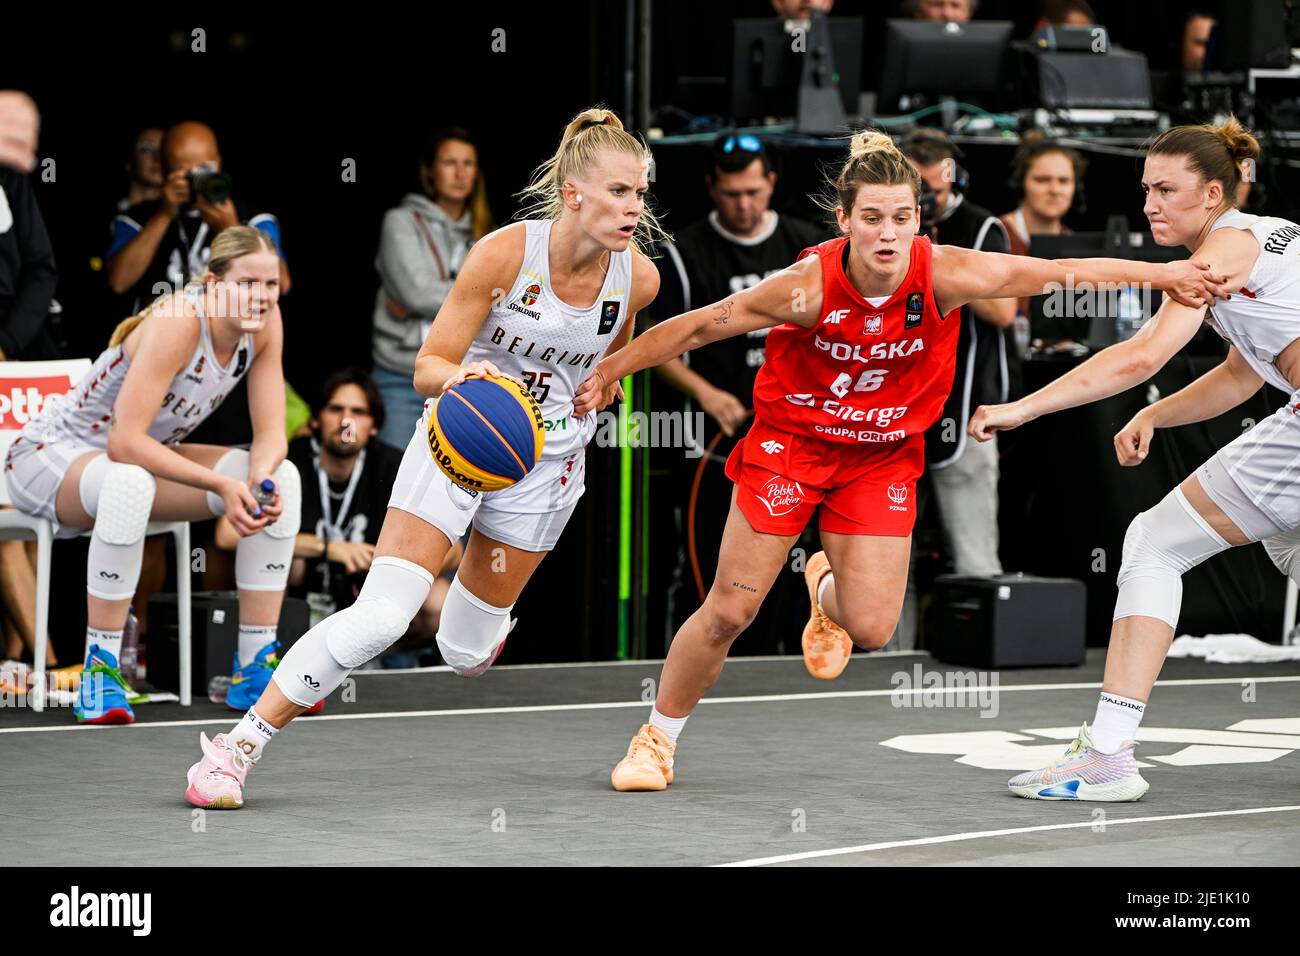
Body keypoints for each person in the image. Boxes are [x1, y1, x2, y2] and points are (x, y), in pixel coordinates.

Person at [572, 130, 1224, 792]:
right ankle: (656, 740)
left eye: (903, 218)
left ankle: (823, 588)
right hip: (791, 447)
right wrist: (608, 370)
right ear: (845, 219)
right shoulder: (808, 286)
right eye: (874, 218)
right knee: (729, 613)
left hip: (879, 458)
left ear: (919, 218)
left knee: (874, 628)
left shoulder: (944, 271)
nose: (888, 234)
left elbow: (1061, 271)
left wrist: (1162, 272)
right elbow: (704, 323)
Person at [181, 106, 660, 810]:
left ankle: (477, 622)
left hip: (547, 457)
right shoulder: (504, 254)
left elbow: (608, 358)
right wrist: (462, 378)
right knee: (384, 615)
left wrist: (606, 383)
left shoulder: (636, 280)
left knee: (464, 654)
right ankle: (233, 750)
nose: (634, 207)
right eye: (619, 191)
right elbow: (427, 364)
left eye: (641, 193)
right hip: (461, 434)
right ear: (575, 194)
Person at [969, 118, 1300, 802]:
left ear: (1213, 193)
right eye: (1145, 189)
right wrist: (1153, 412)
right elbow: (1242, 376)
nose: (1150, 204)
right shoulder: (1258, 242)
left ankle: (1109, 754)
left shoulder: (1221, 252)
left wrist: (1021, 408)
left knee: (1154, 542)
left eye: (1166, 190)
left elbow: (1143, 354)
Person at [4, 225, 298, 724]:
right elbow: (124, 442)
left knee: (284, 477)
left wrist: (258, 480)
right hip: (47, 454)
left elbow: (271, 433)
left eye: (269, 284)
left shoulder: (266, 325)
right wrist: (222, 485)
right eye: (247, 283)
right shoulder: (180, 321)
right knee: (128, 482)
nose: (262, 296)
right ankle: (100, 673)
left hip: (134, 458)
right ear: (211, 282)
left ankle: (254, 667)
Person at [902, 129, 1015, 576]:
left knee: (974, 556)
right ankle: (889, 647)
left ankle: (982, 640)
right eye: (918, 189)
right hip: (893, 408)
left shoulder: (980, 225)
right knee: (887, 563)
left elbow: (1004, 312)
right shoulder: (884, 227)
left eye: (936, 187)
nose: (929, 198)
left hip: (964, 405)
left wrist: (933, 257)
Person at [372, 128, 494, 448]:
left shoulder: (488, 233)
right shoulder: (401, 221)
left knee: (450, 484)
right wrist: (478, 296)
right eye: (449, 162)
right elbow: (416, 291)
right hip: (400, 376)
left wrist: (435, 296)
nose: (459, 172)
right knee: (395, 476)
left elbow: (502, 302)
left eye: (468, 163)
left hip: (460, 379)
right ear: (430, 171)